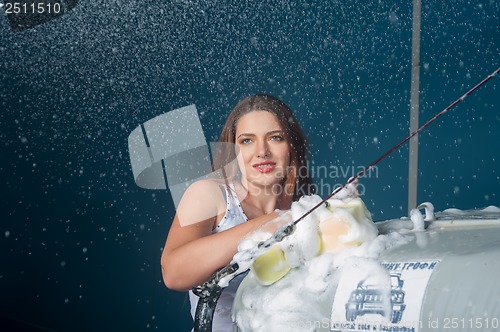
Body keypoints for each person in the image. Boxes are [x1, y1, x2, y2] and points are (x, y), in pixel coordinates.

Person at [161, 94, 314, 331]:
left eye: (275, 138)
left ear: (292, 146)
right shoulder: (210, 194)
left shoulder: (303, 211)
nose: (262, 151)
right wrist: (265, 224)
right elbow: (173, 272)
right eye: (247, 141)